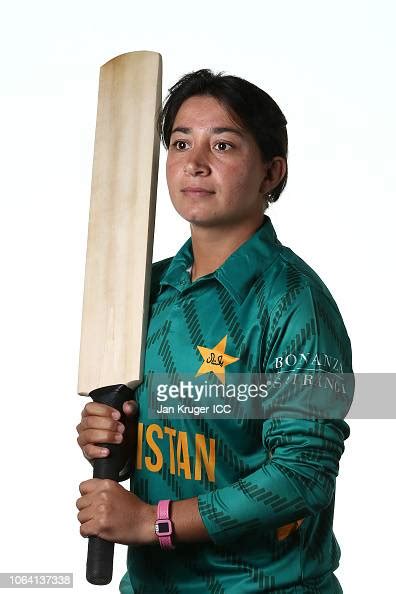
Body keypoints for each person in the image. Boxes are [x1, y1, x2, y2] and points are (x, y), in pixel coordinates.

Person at [76, 69, 353, 593]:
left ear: (271, 173)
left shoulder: (297, 304)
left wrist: (151, 521)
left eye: (222, 144)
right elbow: (194, 439)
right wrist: (117, 440)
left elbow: (302, 474)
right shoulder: (146, 286)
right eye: (181, 143)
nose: (195, 163)